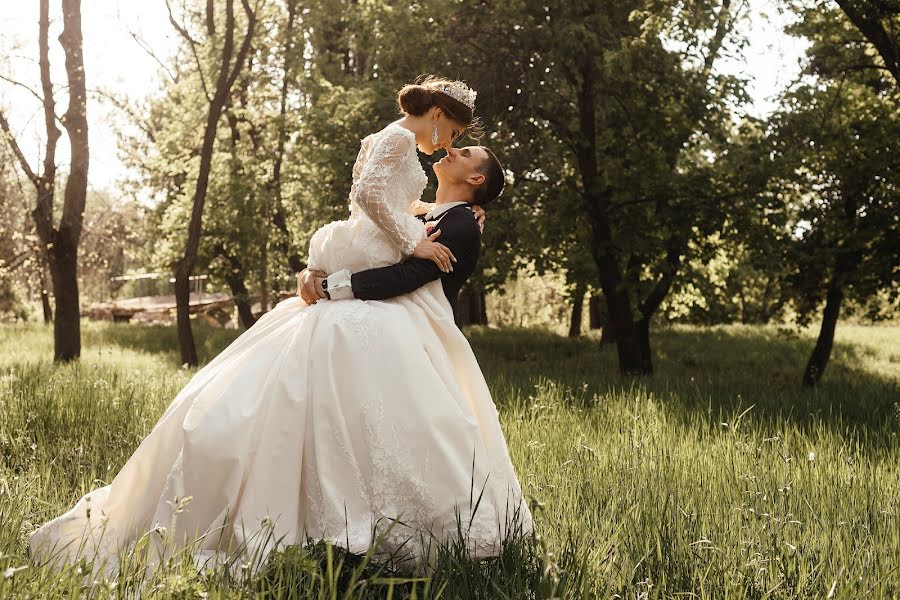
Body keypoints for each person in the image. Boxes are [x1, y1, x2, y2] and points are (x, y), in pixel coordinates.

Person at [29, 76, 533, 576]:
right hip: (361, 304)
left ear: (475, 184)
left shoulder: (458, 216)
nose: (451, 147)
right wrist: (381, 247)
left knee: (393, 416)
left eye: (465, 152)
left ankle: (395, 527)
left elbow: (404, 258)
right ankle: (310, 518)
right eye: (456, 138)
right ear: (441, 117)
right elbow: (379, 208)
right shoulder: (414, 170)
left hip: (401, 317)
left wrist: (371, 261)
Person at [298, 143, 504, 324]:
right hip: (386, 311)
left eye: (465, 154)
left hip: (419, 328)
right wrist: (313, 270)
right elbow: (365, 246)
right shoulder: (417, 216)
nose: (452, 149)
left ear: (475, 178)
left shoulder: (463, 223)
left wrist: (328, 287)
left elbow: (404, 276)